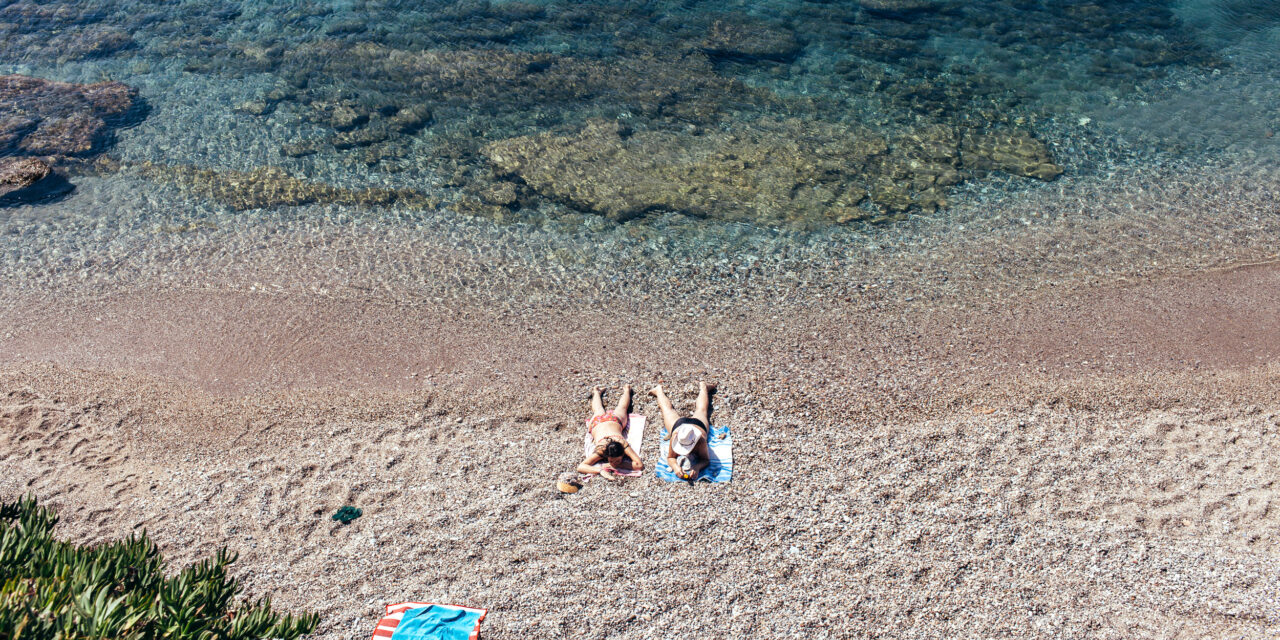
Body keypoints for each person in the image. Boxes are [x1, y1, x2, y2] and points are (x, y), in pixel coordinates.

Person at [650, 381, 715, 481]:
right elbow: (670, 458)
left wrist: (697, 467)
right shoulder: (676, 436)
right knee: (700, 410)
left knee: (700, 410)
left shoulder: (700, 441)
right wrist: (676, 467)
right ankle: (658, 390)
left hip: (697, 425)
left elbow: (705, 460)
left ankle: (704, 387)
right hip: (680, 426)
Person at [577, 384, 644, 477]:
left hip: (602, 422)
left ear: (623, 453)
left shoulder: (623, 444)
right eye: (612, 460)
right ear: (606, 455)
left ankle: (625, 390)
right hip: (605, 422)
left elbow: (640, 465)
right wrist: (600, 470)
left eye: (618, 460)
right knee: (621, 408)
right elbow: (580, 467)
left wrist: (620, 464)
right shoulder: (601, 450)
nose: (614, 463)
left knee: (600, 409)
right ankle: (599, 391)